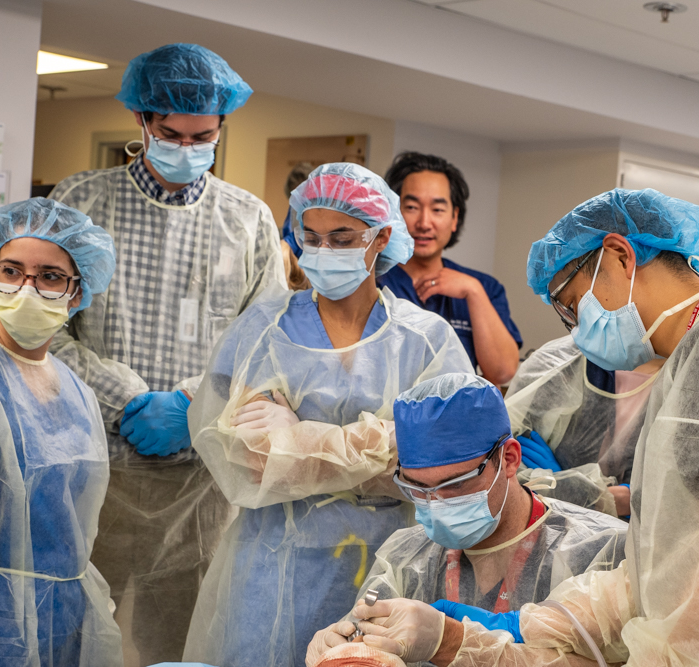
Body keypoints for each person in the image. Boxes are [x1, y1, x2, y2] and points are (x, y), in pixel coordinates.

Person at [344, 188, 699, 667]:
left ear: (618, 255)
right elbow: (671, 565)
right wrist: (522, 630)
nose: (578, 327)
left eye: (572, 305)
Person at [181, 163, 474, 667]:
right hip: (273, 562)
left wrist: (300, 440)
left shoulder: (425, 340)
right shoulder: (264, 329)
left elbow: (442, 463)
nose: (322, 252)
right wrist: (388, 439)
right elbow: (251, 462)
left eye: (341, 237)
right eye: (310, 237)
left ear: (381, 237)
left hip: (389, 562)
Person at [48, 43, 285, 664]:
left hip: (200, 478)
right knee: (77, 633)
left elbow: (268, 342)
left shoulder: (249, 220)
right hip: (92, 464)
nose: (186, 148)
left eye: (202, 135)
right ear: (142, 122)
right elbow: (47, 329)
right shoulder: (82, 204)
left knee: (178, 643)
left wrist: (189, 402)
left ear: (221, 127)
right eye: (171, 133)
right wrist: (125, 398)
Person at [305, 373, 627, 666]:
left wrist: (451, 643)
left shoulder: (603, 551)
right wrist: (341, 649)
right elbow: (365, 640)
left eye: (455, 485)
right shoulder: (406, 560)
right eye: (418, 488)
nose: (437, 505)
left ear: (509, 459)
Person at [0, 198, 122, 666]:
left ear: (78, 292)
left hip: (63, 619)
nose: (26, 288)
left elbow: (73, 525)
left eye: (49, 277)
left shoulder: (77, 391)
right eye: (11, 270)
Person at [380, 152, 521, 385]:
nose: (424, 223)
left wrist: (473, 291)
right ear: (394, 213)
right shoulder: (374, 281)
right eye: (412, 207)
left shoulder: (485, 287)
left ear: (455, 218)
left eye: (437, 209)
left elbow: (503, 372)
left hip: (458, 416)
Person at [506, 335, 661, 517]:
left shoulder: (686, 379)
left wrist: (567, 487)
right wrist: (621, 498)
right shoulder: (557, 363)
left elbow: (678, 497)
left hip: (636, 540)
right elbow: (508, 472)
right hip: (549, 527)